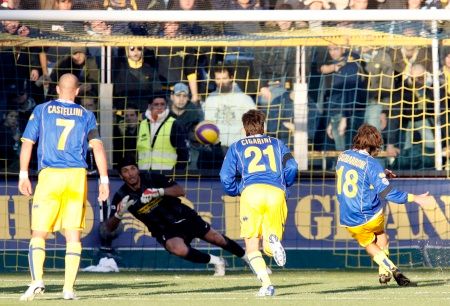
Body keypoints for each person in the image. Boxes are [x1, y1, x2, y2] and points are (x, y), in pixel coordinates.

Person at [18, 73, 110, 301]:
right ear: (77, 91)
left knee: (39, 232)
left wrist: (23, 174)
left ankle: (37, 281)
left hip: (50, 175)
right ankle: (68, 289)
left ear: (57, 90)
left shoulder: (41, 110)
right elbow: (97, 148)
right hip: (76, 177)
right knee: (73, 235)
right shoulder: (87, 115)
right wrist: (104, 180)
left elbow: (28, 143)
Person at [101, 155, 247, 276]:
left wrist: (158, 192)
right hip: (164, 229)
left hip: (183, 216)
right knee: (177, 249)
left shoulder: (152, 178)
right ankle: (217, 261)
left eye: (133, 168)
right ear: (121, 176)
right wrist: (119, 214)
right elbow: (109, 228)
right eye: (125, 171)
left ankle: (251, 260)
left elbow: (180, 191)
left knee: (217, 238)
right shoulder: (121, 195)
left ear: (137, 170)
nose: (130, 173)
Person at [335, 124, 434, 287]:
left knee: (371, 243)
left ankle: (386, 272)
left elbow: (354, 176)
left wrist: (380, 174)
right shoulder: (371, 163)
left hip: (348, 217)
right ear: (373, 144)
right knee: (381, 236)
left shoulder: (343, 156)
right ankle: (389, 270)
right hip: (370, 214)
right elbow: (388, 193)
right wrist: (414, 197)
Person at [219, 109, 298, 297]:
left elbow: (225, 176)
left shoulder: (236, 146)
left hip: (251, 193)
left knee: (252, 245)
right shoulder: (278, 144)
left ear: (244, 128)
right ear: (264, 126)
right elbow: (292, 166)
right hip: (275, 192)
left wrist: (236, 189)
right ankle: (273, 243)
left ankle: (267, 285)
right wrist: (285, 183)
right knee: (271, 244)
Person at [136, 94, 189, 171]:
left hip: (166, 174)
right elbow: (137, 151)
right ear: (150, 106)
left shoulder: (175, 124)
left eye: (162, 104)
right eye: (156, 104)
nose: (159, 107)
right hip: (144, 173)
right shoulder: (142, 124)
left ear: (166, 106)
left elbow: (183, 154)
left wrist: (175, 174)